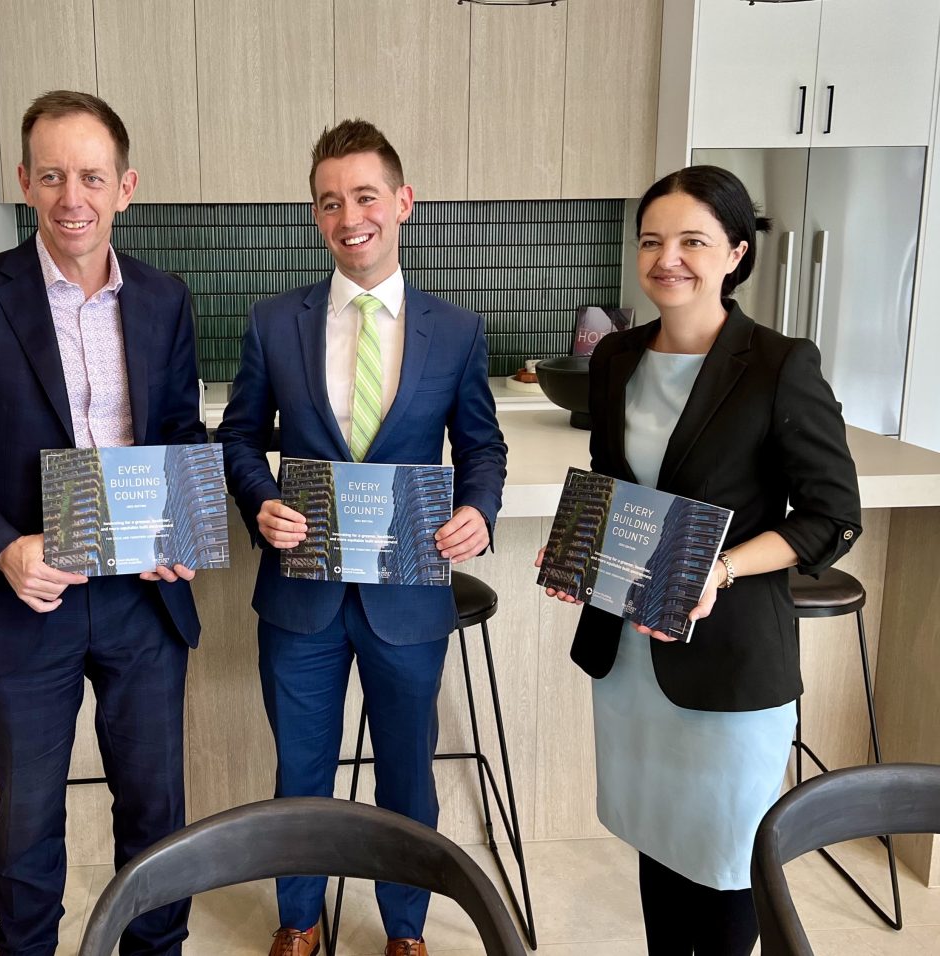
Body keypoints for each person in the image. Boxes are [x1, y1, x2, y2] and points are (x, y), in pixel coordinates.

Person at [0, 90, 204, 956]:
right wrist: (2, 547)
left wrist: (180, 528)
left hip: (143, 604)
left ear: (126, 186)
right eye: (55, 174)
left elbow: (181, 433)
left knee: (156, 813)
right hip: (26, 601)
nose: (75, 195)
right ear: (25, 181)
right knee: (29, 820)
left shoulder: (164, 298)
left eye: (93, 176)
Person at [536, 165, 862, 956]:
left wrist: (719, 569)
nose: (667, 259)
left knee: (723, 860)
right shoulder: (615, 358)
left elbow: (831, 516)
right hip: (632, 659)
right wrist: (580, 543)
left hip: (727, 658)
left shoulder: (780, 363)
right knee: (659, 838)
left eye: (692, 240)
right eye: (652, 240)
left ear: (735, 254)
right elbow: (619, 484)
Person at [216, 119, 507, 956]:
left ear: (403, 203)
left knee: (406, 777)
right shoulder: (277, 322)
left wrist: (479, 510)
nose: (351, 217)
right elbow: (239, 437)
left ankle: (405, 932)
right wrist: (261, 501)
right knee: (299, 776)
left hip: (408, 597)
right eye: (330, 201)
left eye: (366, 196)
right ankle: (299, 921)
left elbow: (481, 446)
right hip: (299, 593)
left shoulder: (455, 329)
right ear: (316, 215)